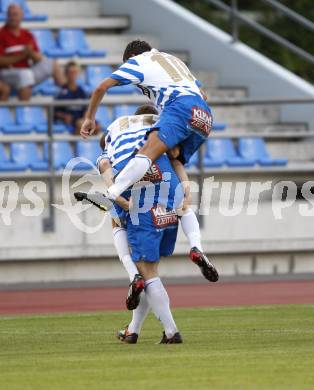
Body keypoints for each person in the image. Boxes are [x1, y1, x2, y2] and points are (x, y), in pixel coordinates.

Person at [75, 104, 219, 344]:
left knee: (145, 270)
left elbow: (110, 178)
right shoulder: (159, 131)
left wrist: (118, 198)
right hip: (166, 183)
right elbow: (176, 159)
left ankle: (171, 331)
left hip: (133, 187)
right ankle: (133, 330)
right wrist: (185, 189)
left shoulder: (111, 144)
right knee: (180, 213)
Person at [80, 40, 213, 207]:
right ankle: (187, 200)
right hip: (204, 115)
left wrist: (89, 118)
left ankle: (111, 194)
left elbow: (101, 87)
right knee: (174, 158)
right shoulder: (172, 59)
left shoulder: (138, 61)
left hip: (180, 106)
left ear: (132, 56)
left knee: (146, 153)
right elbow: (203, 95)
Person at [0, 4, 65, 101]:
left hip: (27, 71)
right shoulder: (1, 34)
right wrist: (22, 55)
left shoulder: (28, 35)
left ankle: (67, 94)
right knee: (25, 75)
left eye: (15, 14)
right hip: (7, 73)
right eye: (10, 15)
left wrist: (31, 53)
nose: (13, 18)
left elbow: (38, 59)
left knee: (52, 64)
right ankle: (25, 110)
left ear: (21, 16)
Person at [55, 61, 100, 134]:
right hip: (72, 120)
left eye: (75, 72)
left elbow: (86, 108)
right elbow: (55, 112)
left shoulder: (81, 91)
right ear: (66, 74)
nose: (73, 75)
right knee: (81, 125)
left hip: (82, 118)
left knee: (97, 127)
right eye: (71, 72)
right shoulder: (62, 93)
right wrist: (64, 116)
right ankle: (80, 144)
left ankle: (88, 144)